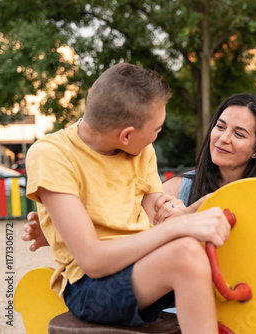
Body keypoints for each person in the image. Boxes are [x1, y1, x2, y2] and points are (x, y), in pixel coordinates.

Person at [25, 62, 231, 333]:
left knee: (223, 242)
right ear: (126, 135)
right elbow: (94, 261)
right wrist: (178, 226)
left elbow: (157, 223)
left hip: (143, 266)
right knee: (186, 254)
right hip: (91, 288)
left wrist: (191, 210)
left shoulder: (141, 150)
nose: (157, 135)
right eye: (156, 129)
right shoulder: (52, 155)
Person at [24, 93, 256, 247]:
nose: (223, 138)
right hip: (181, 304)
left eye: (238, 133)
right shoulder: (181, 188)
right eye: (220, 126)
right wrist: (61, 232)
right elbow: (123, 228)